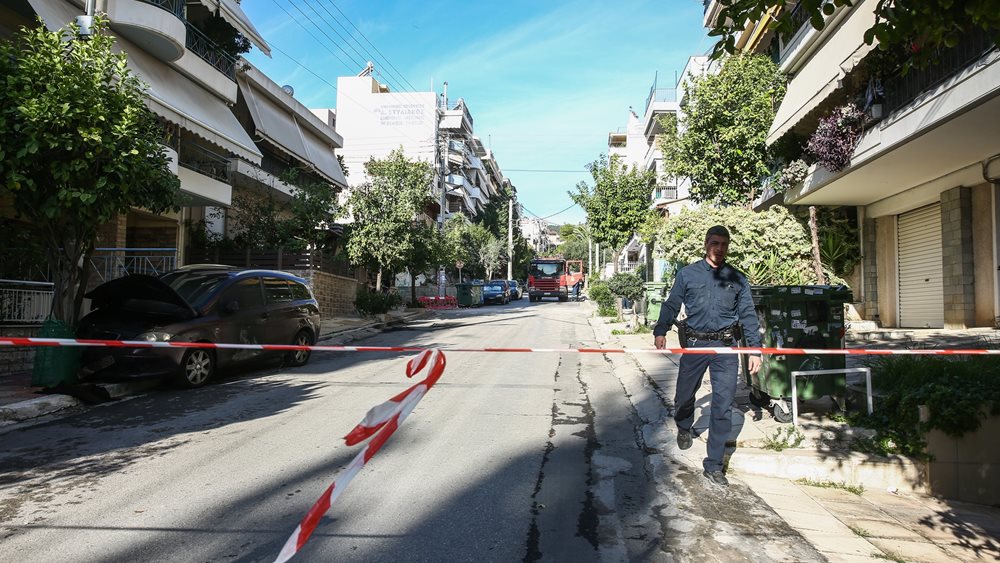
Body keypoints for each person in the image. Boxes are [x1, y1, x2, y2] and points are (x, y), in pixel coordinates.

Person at [653, 225, 762, 487]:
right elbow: (672, 303)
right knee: (683, 396)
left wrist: (754, 349)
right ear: (706, 244)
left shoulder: (737, 279)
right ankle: (684, 424)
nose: (719, 248)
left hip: (725, 348)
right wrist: (661, 330)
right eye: (715, 243)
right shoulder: (687, 274)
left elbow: (748, 315)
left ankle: (714, 465)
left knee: (722, 406)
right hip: (695, 345)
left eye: (724, 244)